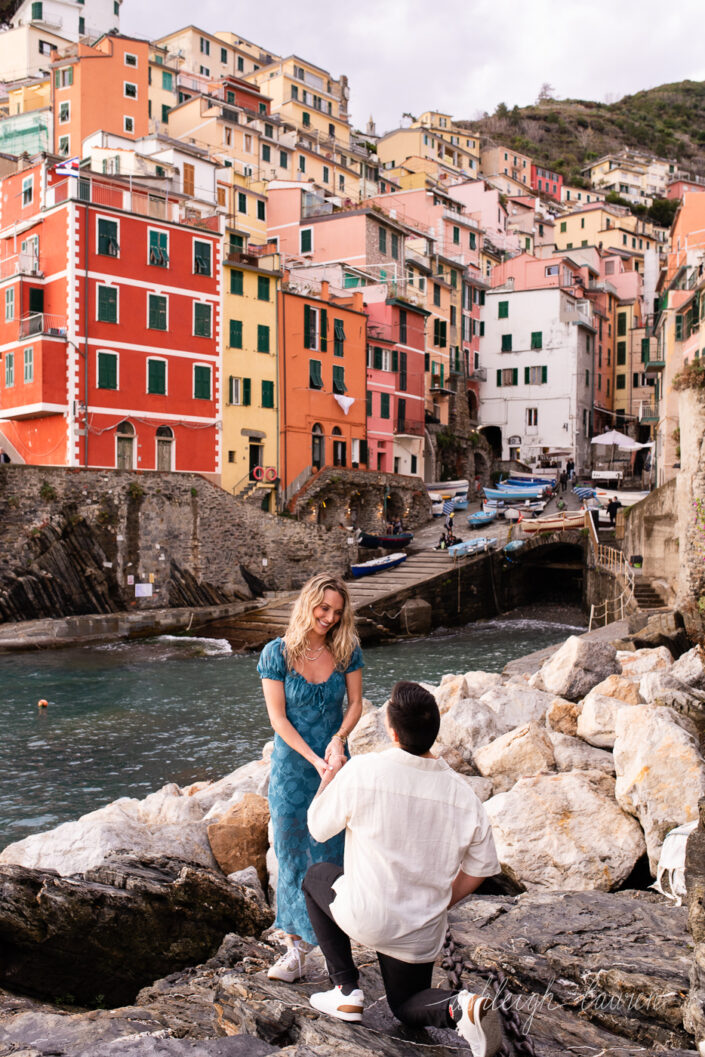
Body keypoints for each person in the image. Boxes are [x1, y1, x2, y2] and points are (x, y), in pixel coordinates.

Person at [303, 681, 502, 1056]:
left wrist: (328, 780)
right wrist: (442, 903)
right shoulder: (463, 795)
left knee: (315, 877)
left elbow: (316, 827)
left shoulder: (364, 770)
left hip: (364, 915)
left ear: (392, 732)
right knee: (408, 1003)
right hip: (418, 930)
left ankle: (346, 990)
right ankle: (460, 1006)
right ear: (434, 732)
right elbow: (481, 869)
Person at [257, 573, 364, 983]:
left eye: (337, 612)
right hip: (292, 769)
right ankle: (295, 950)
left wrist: (337, 741)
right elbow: (277, 719)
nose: (329, 618)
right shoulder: (277, 654)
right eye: (323, 609)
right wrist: (313, 760)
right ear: (308, 604)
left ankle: (338, 950)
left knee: (333, 853)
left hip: (336, 763)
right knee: (290, 851)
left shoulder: (347, 648)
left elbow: (354, 704)